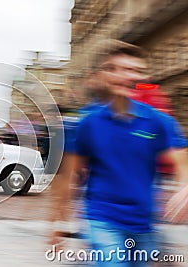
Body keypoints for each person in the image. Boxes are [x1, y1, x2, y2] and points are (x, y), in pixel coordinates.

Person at [48, 40, 188, 266]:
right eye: (123, 70)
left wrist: (185, 187)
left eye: (137, 71)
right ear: (106, 74)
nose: (131, 76)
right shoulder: (88, 123)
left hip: (144, 223)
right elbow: (68, 176)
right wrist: (58, 222)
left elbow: (181, 160)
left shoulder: (158, 121)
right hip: (102, 218)